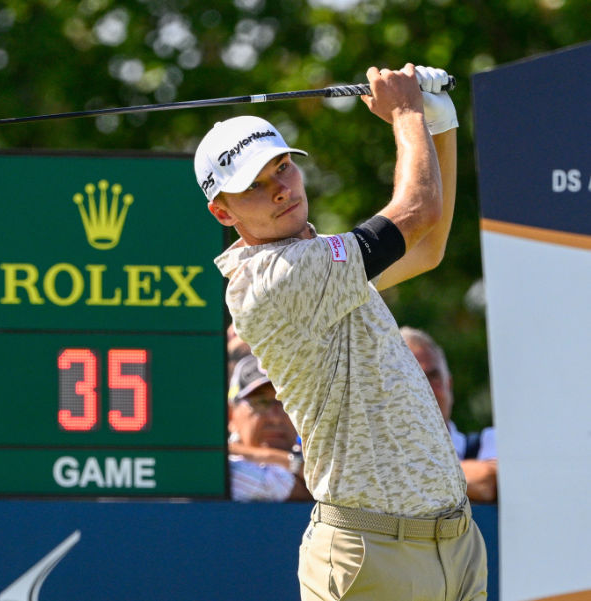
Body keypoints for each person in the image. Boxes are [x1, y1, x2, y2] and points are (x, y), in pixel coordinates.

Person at [195, 64, 487, 600]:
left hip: (454, 544)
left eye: (283, 167)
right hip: (372, 555)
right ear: (223, 211)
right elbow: (416, 211)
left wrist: (438, 121)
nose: (280, 189)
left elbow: (427, 247)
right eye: (254, 187)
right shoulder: (275, 278)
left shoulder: (325, 263)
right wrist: (405, 114)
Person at [401, 326, 498, 503]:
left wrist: (399, 477)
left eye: (433, 376)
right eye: (411, 378)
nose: (426, 389)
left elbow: (488, 481)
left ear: (449, 385)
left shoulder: (489, 442)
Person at [227, 354, 312, 502]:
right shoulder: (222, 466)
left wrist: (286, 461)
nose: (275, 418)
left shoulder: (317, 455)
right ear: (231, 415)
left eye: (286, 403)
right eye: (261, 402)